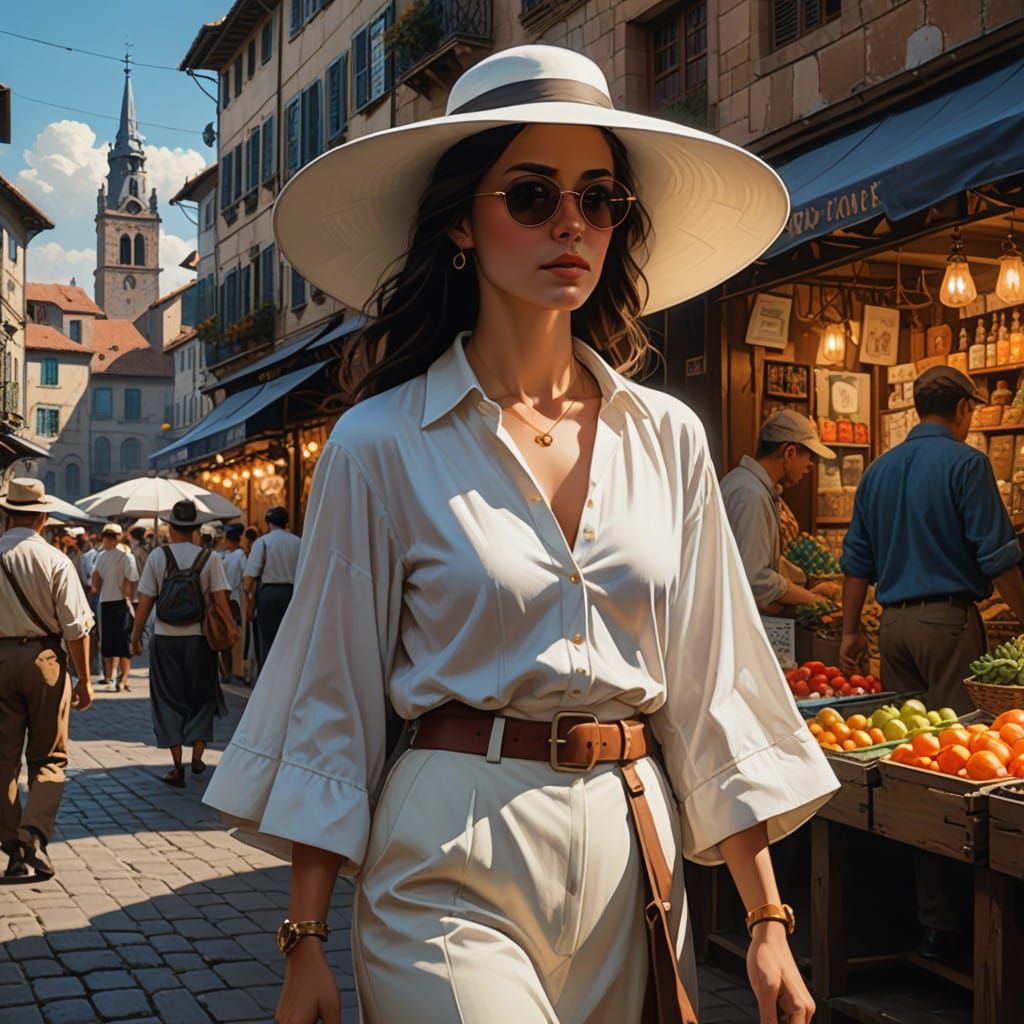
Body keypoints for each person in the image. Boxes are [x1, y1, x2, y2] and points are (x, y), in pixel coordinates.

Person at [204, 45, 837, 1024]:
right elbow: (331, 694)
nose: (572, 224)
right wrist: (303, 939)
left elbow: (718, 683)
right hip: (447, 852)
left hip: (634, 853)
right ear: (461, 217)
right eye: (532, 196)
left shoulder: (666, 436)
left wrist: (765, 919)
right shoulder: (379, 443)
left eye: (598, 198)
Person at [840, 363, 1024, 961]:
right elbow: (997, 557)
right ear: (966, 410)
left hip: (891, 627)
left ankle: (930, 917)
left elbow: (856, 561)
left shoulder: (878, 470)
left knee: (913, 763)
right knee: (969, 769)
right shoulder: (967, 465)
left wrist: (848, 630)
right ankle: (976, 919)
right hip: (947, 624)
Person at [0, 479, 94, 880]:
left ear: (7, 514)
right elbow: (76, 628)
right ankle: (34, 834)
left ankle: (13, 847)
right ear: (42, 517)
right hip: (45, 660)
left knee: (3, 760)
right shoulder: (56, 560)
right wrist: (85, 680)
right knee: (50, 757)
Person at [130, 500, 237, 788]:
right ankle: (198, 756)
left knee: (168, 699)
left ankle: (177, 766)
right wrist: (231, 628)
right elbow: (220, 600)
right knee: (201, 697)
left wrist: (135, 635)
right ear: (195, 529)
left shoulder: (157, 557)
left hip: (165, 639)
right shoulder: (209, 558)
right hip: (200, 640)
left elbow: (145, 601)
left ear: (170, 527)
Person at [720, 410, 840, 613]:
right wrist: (813, 600)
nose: (811, 465)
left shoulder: (751, 487)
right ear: (789, 453)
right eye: (809, 456)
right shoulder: (750, 494)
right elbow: (756, 578)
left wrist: (804, 585)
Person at [243, 506, 301, 670]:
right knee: (290, 639)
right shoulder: (298, 542)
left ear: (268, 523)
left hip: (268, 594)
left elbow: (250, 578)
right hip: (292, 593)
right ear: (285, 523)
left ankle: (267, 679)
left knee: (267, 641)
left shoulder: (263, 542)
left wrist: (248, 594)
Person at [91, 523, 139, 692]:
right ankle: (122, 679)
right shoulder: (126, 556)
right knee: (121, 643)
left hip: (107, 602)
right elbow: (131, 581)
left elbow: (95, 584)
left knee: (110, 643)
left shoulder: (102, 556)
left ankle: (113, 677)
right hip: (119, 602)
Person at [220, 523, 248, 685]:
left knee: (226, 636)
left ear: (230, 541)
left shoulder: (226, 556)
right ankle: (234, 670)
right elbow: (246, 577)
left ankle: (227, 671)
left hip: (226, 599)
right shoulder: (239, 556)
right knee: (235, 636)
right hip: (236, 600)